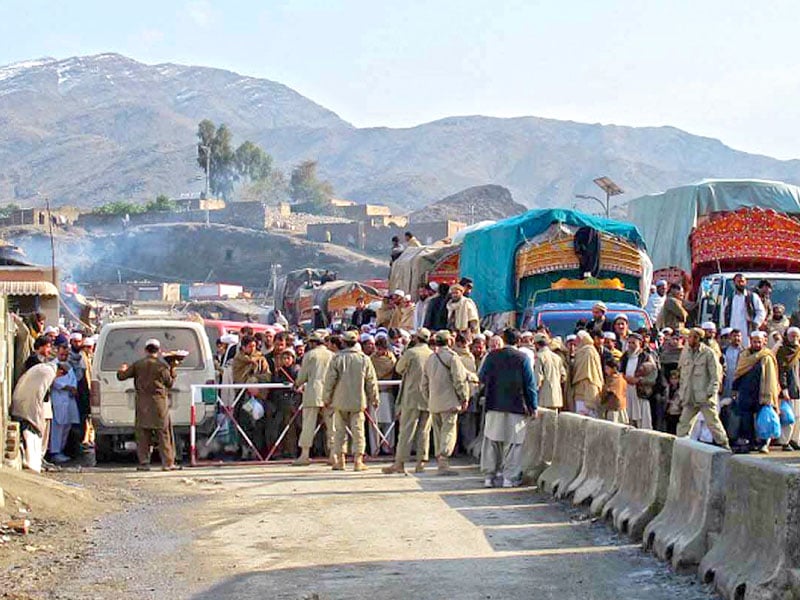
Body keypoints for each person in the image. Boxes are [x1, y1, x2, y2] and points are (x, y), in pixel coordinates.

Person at [478, 328, 538, 488]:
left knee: (492, 440)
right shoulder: (523, 358)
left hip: (494, 405)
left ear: (503, 339)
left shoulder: (492, 356)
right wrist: (533, 406)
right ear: (518, 341)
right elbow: (530, 384)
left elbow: (482, 376)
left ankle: (489, 477)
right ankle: (509, 478)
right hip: (517, 406)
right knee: (514, 444)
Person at [116, 339, 180, 471]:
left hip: (142, 404)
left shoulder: (138, 364)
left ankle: (144, 463)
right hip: (159, 404)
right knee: (163, 433)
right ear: (159, 350)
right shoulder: (162, 366)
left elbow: (122, 376)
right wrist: (173, 368)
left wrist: (121, 370)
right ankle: (168, 463)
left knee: (143, 434)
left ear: (145, 350)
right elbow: (170, 383)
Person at [322, 330, 380, 471]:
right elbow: (371, 381)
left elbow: (330, 381)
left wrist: (326, 398)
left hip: (340, 400)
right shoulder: (364, 359)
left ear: (343, 342)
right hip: (358, 401)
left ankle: (340, 461)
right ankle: (358, 461)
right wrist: (374, 398)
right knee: (358, 431)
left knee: (339, 432)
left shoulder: (336, 358)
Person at [383, 329, 434, 474]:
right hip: (428, 397)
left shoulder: (411, 353)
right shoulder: (431, 354)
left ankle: (400, 463)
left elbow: (399, 369)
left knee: (406, 431)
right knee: (424, 431)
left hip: (411, 396)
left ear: (416, 339)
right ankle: (421, 463)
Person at [421, 330, 470, 476]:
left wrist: (429, 398)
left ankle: (440, 460)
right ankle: (443, 461)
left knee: (438, 432)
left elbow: (423, 384)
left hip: (434, 402)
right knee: (448, 431)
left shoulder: (431, 359)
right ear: (449, 341)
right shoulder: (452, 358)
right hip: (450, 402)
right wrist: (464, 397)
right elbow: (459, 380)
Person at [676, 328, 730, 450]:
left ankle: (724, 445)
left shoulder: (708, 354)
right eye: (689, 337)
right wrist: (682, 392)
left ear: (699, 339)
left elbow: (715, 376)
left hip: (704, 396)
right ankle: (680, 448)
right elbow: (682, 374)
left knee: (713, 423)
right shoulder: (686, 353)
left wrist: (711, 392)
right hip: (690, 395)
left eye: (694, 337)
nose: (690, 339)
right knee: (683, 423)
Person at [293, 332, 335, 466]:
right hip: (329, 393)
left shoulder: (310, 355)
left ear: (313, 343)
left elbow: (302, 375)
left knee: (308, 425)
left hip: (313, 392)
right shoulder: (332, 355)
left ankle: (305, 454)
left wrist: (297, 384)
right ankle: (334, 454)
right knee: (332, 425)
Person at [620, 334, 657, 429]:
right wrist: (624, 378)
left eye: (634, 343)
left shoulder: (646, 357)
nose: (631, 345)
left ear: (640, 343)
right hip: (627, 391)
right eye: (629, 343)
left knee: (643, 421)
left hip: (640, 392)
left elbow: (653, 376)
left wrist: (638, 380)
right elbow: (620, 371)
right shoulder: (625, 357)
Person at [369, 336, 397, 455]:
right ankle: (375, 448)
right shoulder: (371, 359)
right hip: (375, 393)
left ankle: (387, 447)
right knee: (374, 423)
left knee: (389, 423)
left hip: (387, 393)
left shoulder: (392, 360)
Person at [49, 360, 80, 463]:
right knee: (57, 427)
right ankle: (55, 452)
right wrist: (67, 387)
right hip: (58, 398)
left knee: (67, 426)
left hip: (69, 399)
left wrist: (73, 388)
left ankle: (61, 450)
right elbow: (54, 382)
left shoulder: (69, 365)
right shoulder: (52, 365)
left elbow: (73, 379)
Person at [722, 273, 766, 343]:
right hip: (732, 330)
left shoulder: (752, 297)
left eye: (742, 281)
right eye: (738, 282)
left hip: (747, 331)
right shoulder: (730, 298)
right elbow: (724, 314)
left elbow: (761, 312)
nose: (741, 284)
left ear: (745, 282)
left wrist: (755, 323)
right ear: (734, 283)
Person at [776, 327, 800, 451]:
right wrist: (784, 388)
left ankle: (795, 440)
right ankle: (784, 442)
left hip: (798, 388)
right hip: (788, 389)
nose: (794, 339)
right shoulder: (783, 351)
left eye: (796, 336)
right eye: (792, 336)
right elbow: (782, 371)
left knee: (798, 417)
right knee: (788, 417)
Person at [572, 330, 604, 417]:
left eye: (578, 339)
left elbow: (586, 370)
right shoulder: (581, 351)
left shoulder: (588, 351)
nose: (576, 342)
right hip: (580, 388)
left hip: (589, 386)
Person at [534, 332, 566, 410]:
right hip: (557, 397)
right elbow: (563, 376)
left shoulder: (539, 357)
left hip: (544, 398)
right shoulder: (557, 357)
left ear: (536, 344)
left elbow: (538, 379)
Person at [601, 358, 628, 424]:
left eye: (607, 368)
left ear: (614, 369)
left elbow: (608, 391)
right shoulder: (621, 378)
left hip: (613, 407)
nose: (605, 370)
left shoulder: (613, 379)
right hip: (621, 406)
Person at [663, 368, 682, 434]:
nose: (673, 381)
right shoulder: (668, 388)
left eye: (675, 378)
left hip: (677, 411)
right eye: (672, 379)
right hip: (668, 411)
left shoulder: (680, 389)